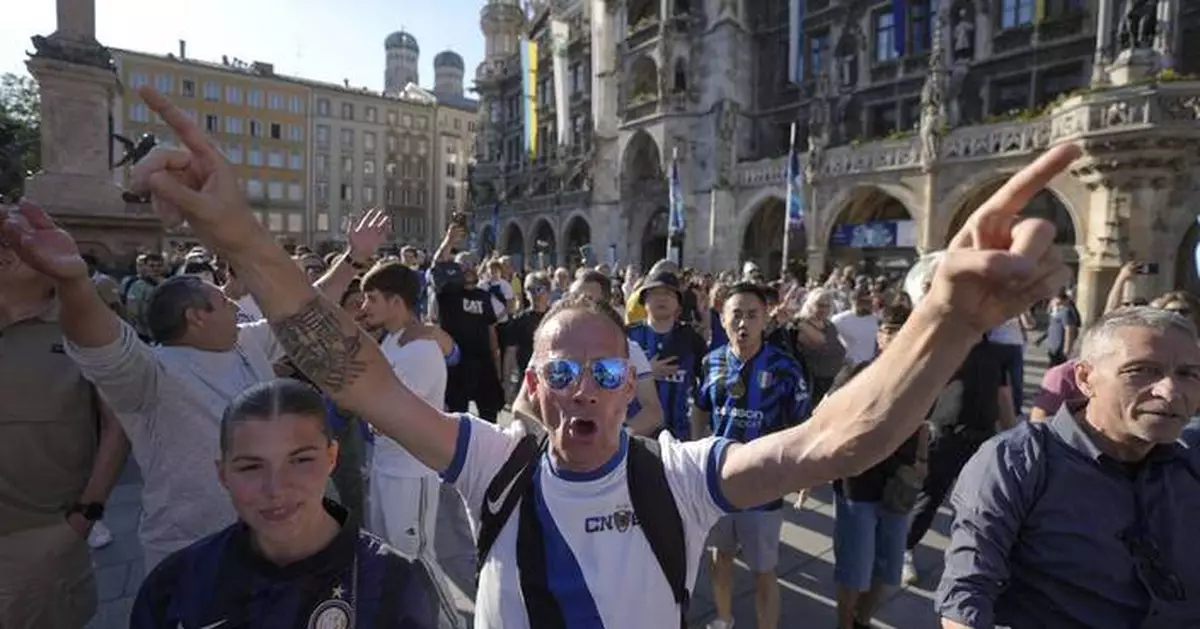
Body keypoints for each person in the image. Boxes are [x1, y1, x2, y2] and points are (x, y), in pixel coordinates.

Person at [105, 85, 1076, 627]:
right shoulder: (496, 460)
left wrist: (944, 320)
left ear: (634, 385)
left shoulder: (682, 477)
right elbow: (346, 367)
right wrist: (240, 236)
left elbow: (831, 441)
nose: (582, 388)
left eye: (608, 373)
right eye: (560, 370)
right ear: (529, 385)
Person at [938, 307, 1200, 628]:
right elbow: (967, 597)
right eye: (1142, 370)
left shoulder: (1191, 459)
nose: (1170, 391)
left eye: (1188, 374)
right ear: (1085, 378)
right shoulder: (1017, 461)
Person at [130, 379, 462, 628]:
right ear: (223, 474)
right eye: (251, 466)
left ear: (332, 457)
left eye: (300, 460)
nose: (276, 488)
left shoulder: (394, 581)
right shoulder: (176, 586)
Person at [0, 226, 131, 628]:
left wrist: (83, 518)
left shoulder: (83, 324)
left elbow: (118, 425)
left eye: (13, 238)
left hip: (39, 538)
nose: (4, 248)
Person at [691, 282, 811, 629]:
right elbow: (700, 409)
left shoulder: (785, 367)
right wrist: (698, 452)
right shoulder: (711, 361)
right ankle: (723, 617)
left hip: (763, 485)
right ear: (722, 319)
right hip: (717, 483)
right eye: (736, 315)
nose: (743, 323)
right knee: (720, 557)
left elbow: (803, 423)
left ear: (766, 318)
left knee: (764, 568)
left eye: (752, 315)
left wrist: (805, 474)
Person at [829, 304, 928, 629]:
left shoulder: (920, 377)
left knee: (887, 568)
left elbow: (923, 424)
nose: (894, 336)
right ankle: (845, 624)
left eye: (902, 330)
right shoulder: (858, 373)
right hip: (857, 486)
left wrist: (922, 461)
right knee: (853, 571)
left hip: (898, 486)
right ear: (880, 336)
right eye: (888, 330)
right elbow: (824, 416)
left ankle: (862, 620)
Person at [358, 262, 446, 563]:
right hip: (386, 468)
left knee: (418, 564)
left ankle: (437, 614)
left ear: (396, 302)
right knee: (388, 560)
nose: (364, 306)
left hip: (411, 474)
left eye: (372, 298)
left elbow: (388, 416)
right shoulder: (393, 341)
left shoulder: (420, 349)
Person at [627, 270, 707, 440]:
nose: (662, 298)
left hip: (679, 436)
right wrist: (647, 373)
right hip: (635, 434)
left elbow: (705, 386)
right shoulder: (627, 336)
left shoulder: (692, 339)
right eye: (655, 293)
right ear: (644, 300)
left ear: (678, 303)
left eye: (669, 294)